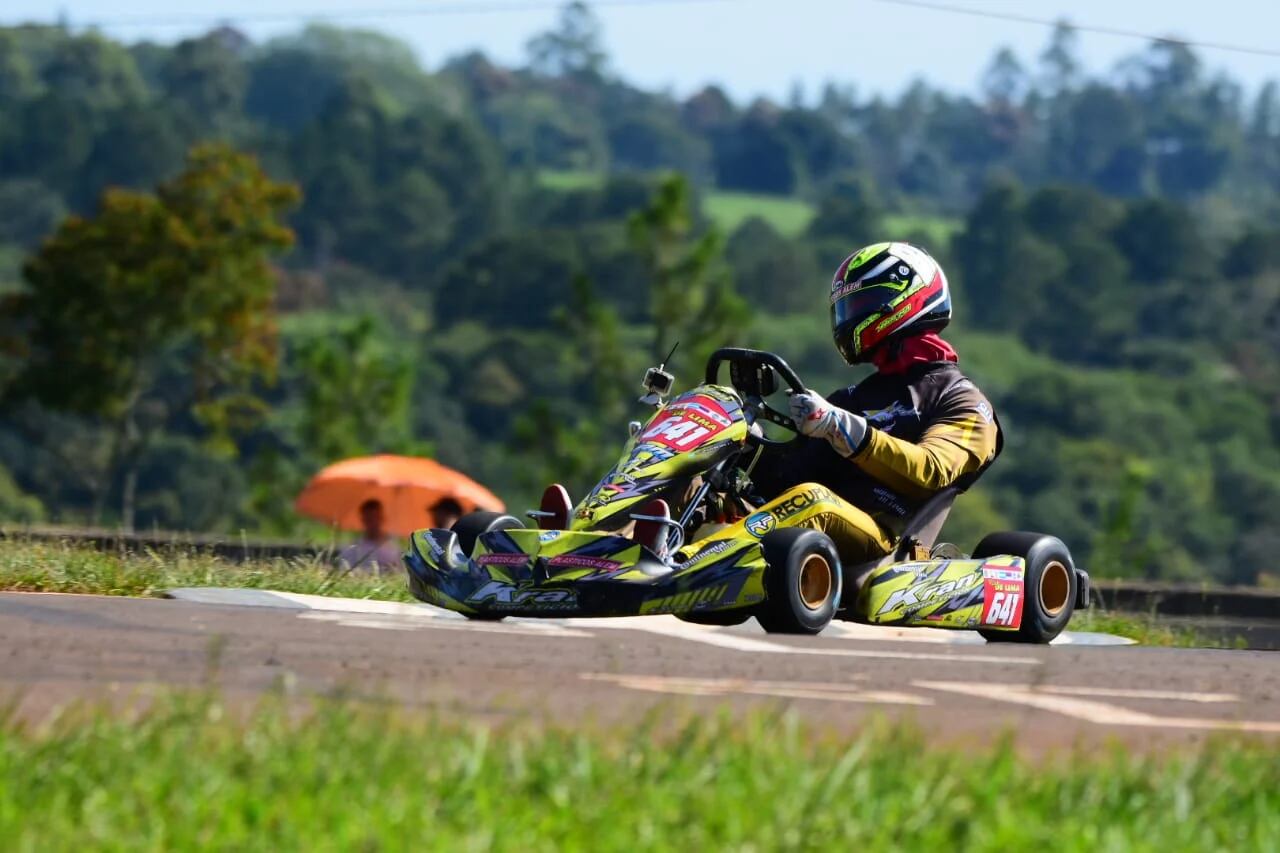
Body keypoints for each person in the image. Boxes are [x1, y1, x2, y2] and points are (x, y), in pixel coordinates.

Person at [738, 241, 1001, 574]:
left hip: (884, 542)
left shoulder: (961, 400)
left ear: (905, 302)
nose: (849, 318)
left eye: (862, 304)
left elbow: (931, 470)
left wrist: (842, 428)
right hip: (804, 521)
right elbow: (789, 478)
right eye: (847, 307)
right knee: (706, 481)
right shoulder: (852, 397)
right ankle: (666, 553)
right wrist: (747, 445)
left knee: (813, 498)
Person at [338, 498, 403, 573]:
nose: (373, 522)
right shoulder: (353, 549)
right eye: (369, 519)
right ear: (363, 520)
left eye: (375, 517)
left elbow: (400, 573)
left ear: (382, 518)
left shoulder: (394, 548)